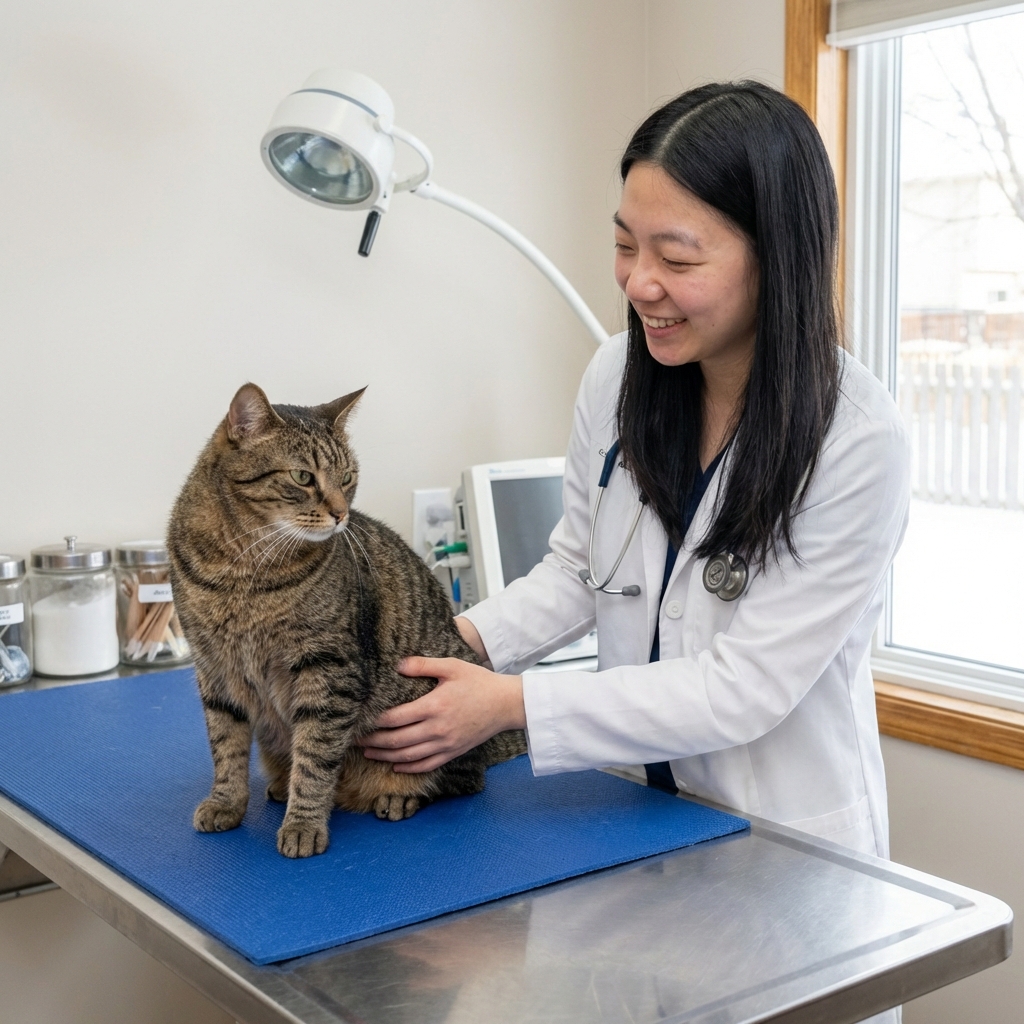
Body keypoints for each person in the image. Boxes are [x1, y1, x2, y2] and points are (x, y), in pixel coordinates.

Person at [360, 79, 909, 928]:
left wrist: (510, 706)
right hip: (634, 827)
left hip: (786, 858)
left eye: (679, 258)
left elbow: (744, 688)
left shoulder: (857, 440)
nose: (640, 283)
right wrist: (451, 642)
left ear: (776, 257)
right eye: (626, 245)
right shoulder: (618, 375)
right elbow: (582, 567)